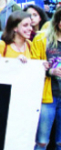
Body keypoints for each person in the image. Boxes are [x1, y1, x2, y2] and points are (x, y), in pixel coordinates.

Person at [32, 8, 61, 149]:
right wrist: (50, 71)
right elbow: (32, 65)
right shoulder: (42, 39)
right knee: (42, 140)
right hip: (47, 95)